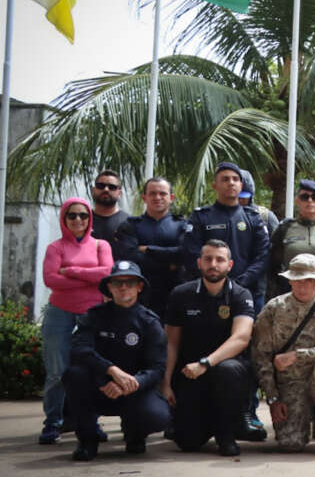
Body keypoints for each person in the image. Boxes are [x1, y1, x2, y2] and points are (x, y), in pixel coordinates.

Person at [62, 262, 170, 460]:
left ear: (139, 287)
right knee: (74, 375)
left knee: (158, 416)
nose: (123, 287)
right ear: (109, 287)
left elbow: (157, 368)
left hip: (133, 390)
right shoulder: (93, 316)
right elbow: (79, 350)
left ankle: (135, 434)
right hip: (99, 387)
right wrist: (108, 373)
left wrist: (133, 382)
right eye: (117, 283)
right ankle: (87, 439)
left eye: (129, 282)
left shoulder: (150, 322)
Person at [252, 254, 315, 456]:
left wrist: (298, 356)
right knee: (290, 443)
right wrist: (272, 398)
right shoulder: (274, 308)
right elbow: (260, 355)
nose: (302, 286)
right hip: (290, 383)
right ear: (290, 280)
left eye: (308, 280)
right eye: (297, 280)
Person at [163, 240, 255, 457]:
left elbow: (241, 338)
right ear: (199, 263)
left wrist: (206, 363)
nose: (213, 264)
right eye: (208, 259)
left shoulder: (241, 295)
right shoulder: (181, 294)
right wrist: (166, 382)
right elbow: (171, 342)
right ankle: (209, 422)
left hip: (227, 371)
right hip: (191, 373)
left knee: (227, 370)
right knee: (187, 442)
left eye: (220, 259)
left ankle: (227, 433)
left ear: (230, 265)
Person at [38, 197, 114, 445]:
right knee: (56, 372)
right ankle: (52, 423)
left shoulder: (101, 245)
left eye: (83, 215)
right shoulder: (55, 248)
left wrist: (70, 271)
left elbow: (106, 274)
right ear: (64, 218)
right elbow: (51, 280)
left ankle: (91, 422)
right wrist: (89, 278)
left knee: (93, 370)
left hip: (92, 315)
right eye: (72, 215)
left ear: (89, 218)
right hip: (59, 313)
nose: (78, 220)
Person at [182, 161, 271, 308]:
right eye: (225, 179)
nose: (231, 183)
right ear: (215, 185)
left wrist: (238, 283)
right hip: (207, 292)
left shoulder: (253, 218)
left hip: (246, 292)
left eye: (235, 179)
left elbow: (263, 256)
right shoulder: (201, 217)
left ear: (241, 185)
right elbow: (191, 253)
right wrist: (214, 282)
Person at [112, 177, 188, 318]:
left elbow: (184, 254)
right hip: (141, 296)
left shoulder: (183, 225)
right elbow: (131, 257)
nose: (157, 197)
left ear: (171, 197)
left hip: (175, 294)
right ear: (144, 197)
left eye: (162, 193)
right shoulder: (130, 225)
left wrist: (147, 249)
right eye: (152, 193)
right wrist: (169, 265)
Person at [267, 179, 315, 299]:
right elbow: (273, 265)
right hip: (289, 294)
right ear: (297, 201)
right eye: (305, 197)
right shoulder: (284, 229)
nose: (310, 201)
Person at [89, 169, 129, 246]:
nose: (106, 189)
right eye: (101, 186)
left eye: (112, 187)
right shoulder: (81, 220)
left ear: (119, 193)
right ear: (93, 190)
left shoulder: (129, 222)